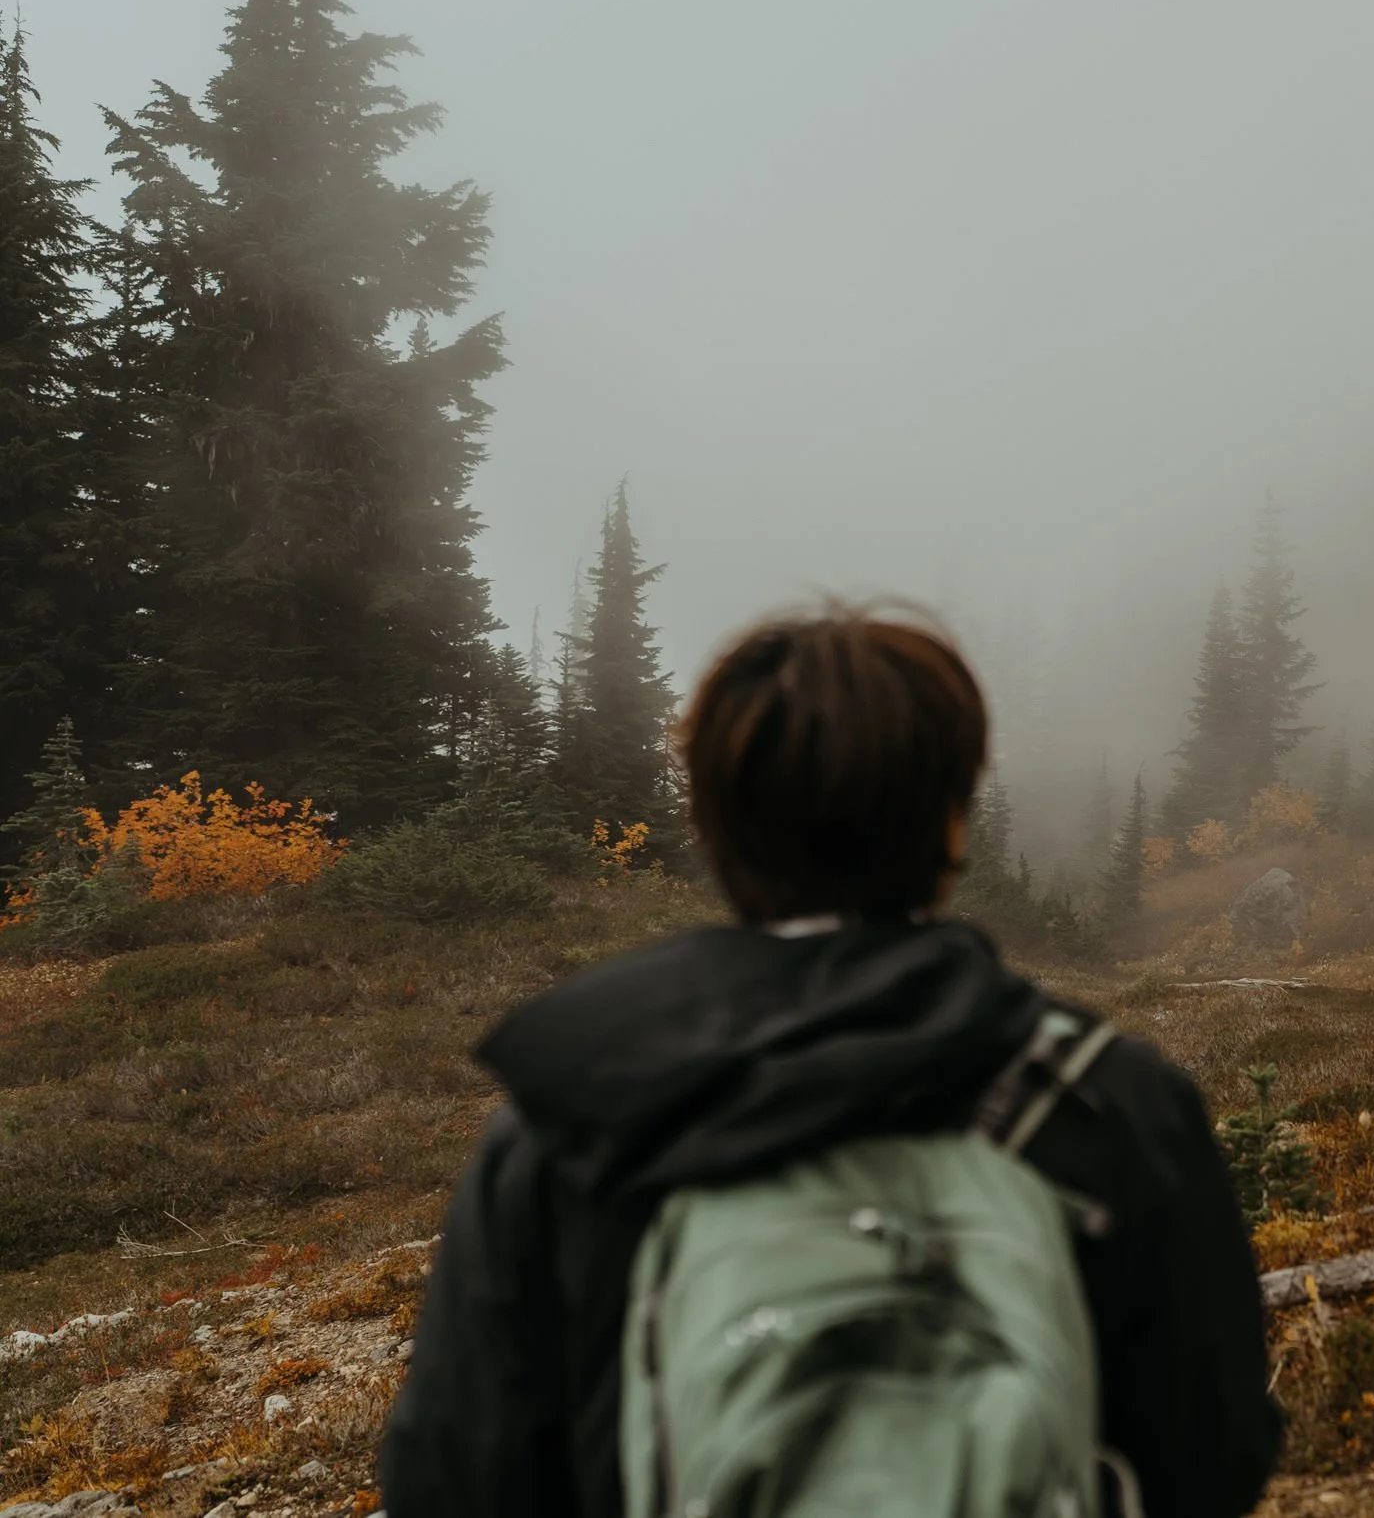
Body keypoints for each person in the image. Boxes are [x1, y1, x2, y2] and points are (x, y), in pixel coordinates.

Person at [380, 606, 1280, 1518]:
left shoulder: (572, 1127)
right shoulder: (1111, 1102)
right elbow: (1218, 1451)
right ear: (952, 828)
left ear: (713, 827)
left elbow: (453, 1481)